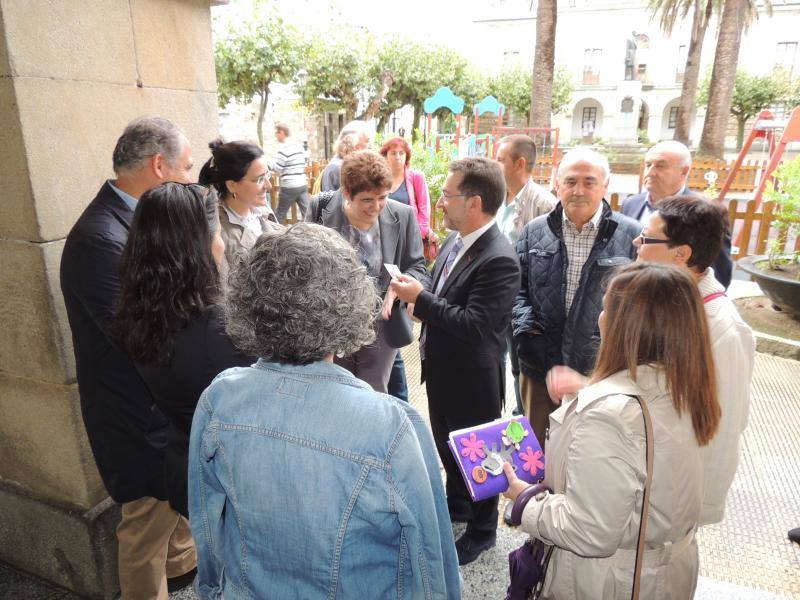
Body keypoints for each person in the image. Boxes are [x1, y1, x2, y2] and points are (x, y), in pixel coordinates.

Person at [188, 223, 460, 599]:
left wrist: (213, 592)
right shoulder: (391, 426)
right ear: (348, 305)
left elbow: (207, 524)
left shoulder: (220, 398)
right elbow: (430, 560)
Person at [504, 262, 721, 599]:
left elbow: (588, 531)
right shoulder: (688, 388)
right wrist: (589, 386)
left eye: (605, 308)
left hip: (607, 581)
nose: (600, 317)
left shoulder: (609, 416)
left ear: (625, 328)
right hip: (666, 571)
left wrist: (523, 500)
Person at [60, 116, 197, 598]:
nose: (192, 178)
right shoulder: (101, 237)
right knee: (144, 527)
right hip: (135, 414)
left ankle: (181, 578)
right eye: (187, 167)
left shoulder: (138, 221)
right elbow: (135, 335)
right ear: (160, 166)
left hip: (160, 408)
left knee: (170, 515)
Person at [391, 157, 520, 565]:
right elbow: (435, 279)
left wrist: (420, 301)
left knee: (481, 456)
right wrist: (419, 288)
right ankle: (458, 508)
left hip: (473, 378)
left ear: (475, 202)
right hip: (444, 371)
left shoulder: (498, 257)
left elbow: (475, 325)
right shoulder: (456, 239)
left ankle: (483, 531)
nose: (441, 203)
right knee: (450, 448)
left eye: (447, 196)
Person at [114, 183, 253, 519]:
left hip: (186, 465)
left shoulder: (138, 311)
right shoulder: (215, 326)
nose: (220, 243)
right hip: (231, 478)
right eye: (217, 232)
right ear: (199, 244)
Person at [634, 195, 755, 525]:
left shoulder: (721, 329)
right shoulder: (668, 299)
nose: (636, 243)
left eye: (646, 239)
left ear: (681, 254)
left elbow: (723, 428)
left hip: (672, 502)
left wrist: (695, 511)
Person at [513, 147, 640, 448]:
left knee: (589, 451)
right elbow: (515, 291)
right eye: (570, 181)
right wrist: (529, 329)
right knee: (537, 454)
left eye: (589, 181)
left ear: (605, 186)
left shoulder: (631, 236)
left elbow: (639, 309)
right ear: (557, 184)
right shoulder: (534, 232)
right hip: (540, 369)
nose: (578, 191)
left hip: (600, 373)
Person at [307, 152, 428, 394]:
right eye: (367, 200)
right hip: (333, 325)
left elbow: (418, 267)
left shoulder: (402, 215)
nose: (376, 207)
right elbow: (305, 264)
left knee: (374, 392)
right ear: (347, 192)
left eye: (382, 197)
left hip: (381, 326)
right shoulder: (320, 209)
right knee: (335, 391)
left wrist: (401, 285)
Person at [495, 134, 558, 418]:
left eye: (500, 159)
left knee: (522, 367)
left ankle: (523, 427)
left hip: (524, 302)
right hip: (495, 298)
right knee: (500, 361)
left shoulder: (545, 204)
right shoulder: (497, 199)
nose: (495, 165)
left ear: (519, 163)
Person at [621, 140, 733, 287]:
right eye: (648, 165)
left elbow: (719, 276)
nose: (650, 172)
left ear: (684, 171)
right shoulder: (631, 203)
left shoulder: (703, 215)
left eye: (660, 166)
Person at [379, 136, 436, 402]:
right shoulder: (381, 178)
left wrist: (419, 233)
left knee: (395, 340)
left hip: (406, 249)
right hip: (387, 262)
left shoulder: (415, 178)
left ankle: (401, 404)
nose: (398, 157)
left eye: (402, 153)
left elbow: (422, 210)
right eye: (393, 152)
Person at [198, 139, 282, 277]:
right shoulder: (217, 231)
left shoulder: (265, 214)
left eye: (268, 175)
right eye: (259, 179)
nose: (269, 186)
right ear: (232, 185)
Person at [272, 122, 310, 223]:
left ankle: (274, 235)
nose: (276, 136)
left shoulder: (283, 149)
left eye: (276, 133)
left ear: (281, 132)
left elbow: (278, 168)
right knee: (307, 213)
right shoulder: (299, 147)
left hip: (289, 186)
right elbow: (304, 162)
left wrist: (269, 165)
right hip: (302, 183)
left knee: (280, 213)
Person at [320, 120, 373, 191]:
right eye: (366, 141)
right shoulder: (339, 167)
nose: (368, 147)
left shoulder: (349, 164)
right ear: (354, 145)